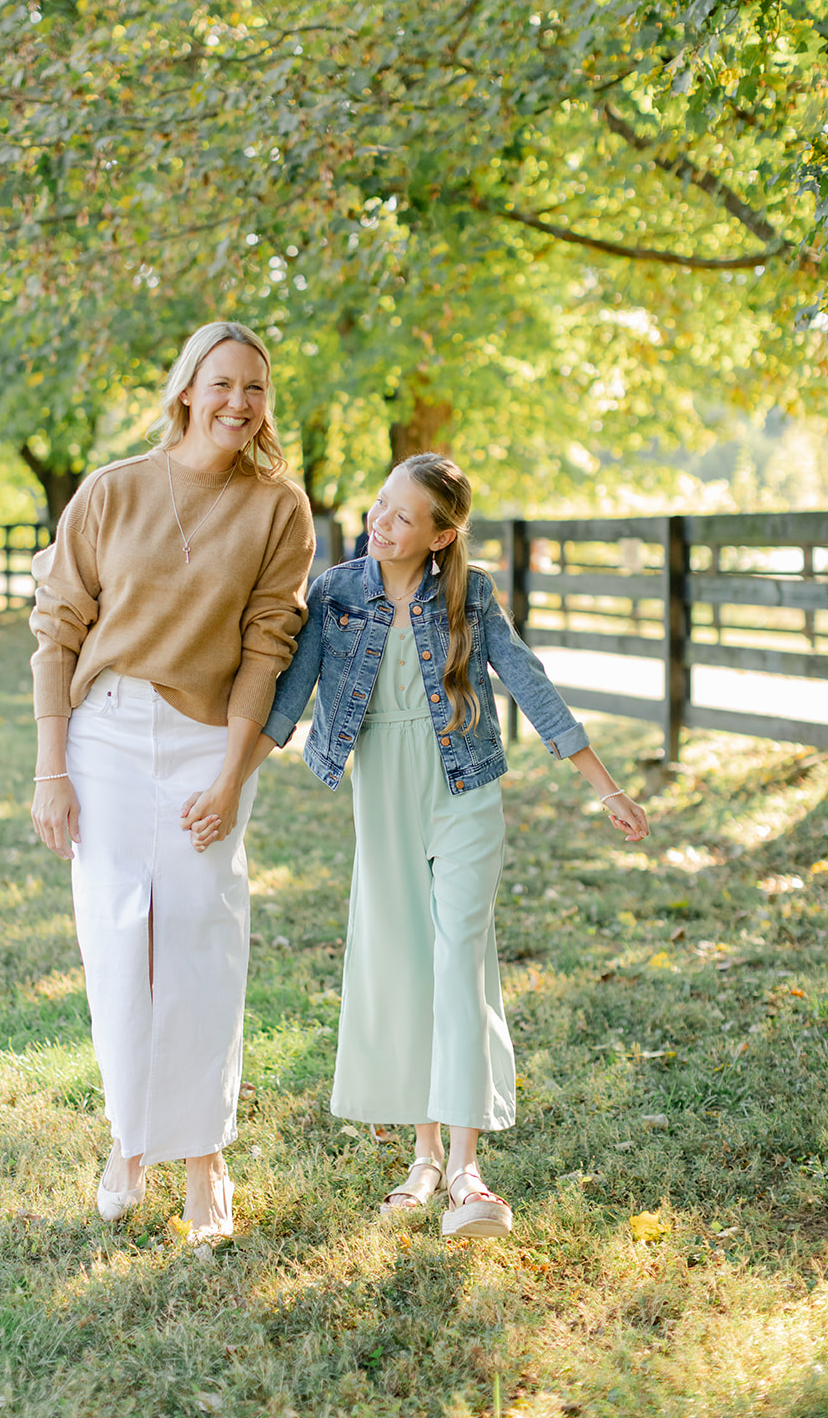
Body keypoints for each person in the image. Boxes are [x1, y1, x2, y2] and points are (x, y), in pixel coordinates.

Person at [254, 453, 649, 1240]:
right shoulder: (335, 593)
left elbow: (528, 681)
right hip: (383, 791)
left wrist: (601, 783)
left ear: (441, 536)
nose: (380, 524)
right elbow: (288, 692)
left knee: (460, 961)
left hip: (464, 787)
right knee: (403, 964)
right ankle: (422, 1157)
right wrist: (226, 774)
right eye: (379, 507)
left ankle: (467, 1171)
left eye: (402, 517)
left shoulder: (469, 593)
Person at [29, 321, 315, 1240]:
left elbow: (270, 644)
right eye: (222, 384)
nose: (239, 403)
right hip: (104, 736)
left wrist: (235, 775)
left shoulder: (279, 509)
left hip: (206, 741)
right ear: (187, 389)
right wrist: (50, 767)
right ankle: (130, 1141)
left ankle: (205, 1163)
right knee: (120, 943)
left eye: (256, 390)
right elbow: (57, 631)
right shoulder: (111, 492)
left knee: (200, 936)